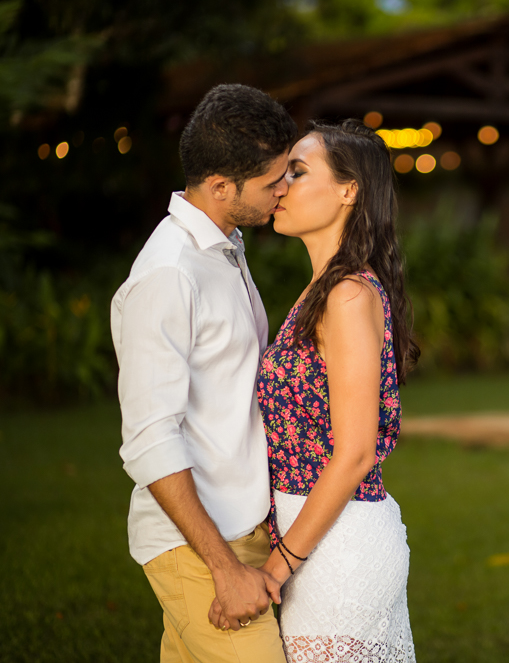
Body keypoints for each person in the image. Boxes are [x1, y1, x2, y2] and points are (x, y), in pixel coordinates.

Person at [110, 83, 297, 663]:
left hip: (240, 526)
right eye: (274, 181)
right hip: (195, 543)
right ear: (220, 187)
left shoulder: (227, 246)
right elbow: (148, 438)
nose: (285, 189)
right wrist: (223, 565)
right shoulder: (170, 274)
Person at [238, 119, 420, 662]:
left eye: (297, 171)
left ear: (348, 191)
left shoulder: (346, 296)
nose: (280, 185)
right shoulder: (324, 291)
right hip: (313, 535)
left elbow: (357, 450)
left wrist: (277, 566)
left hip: (336, 549)